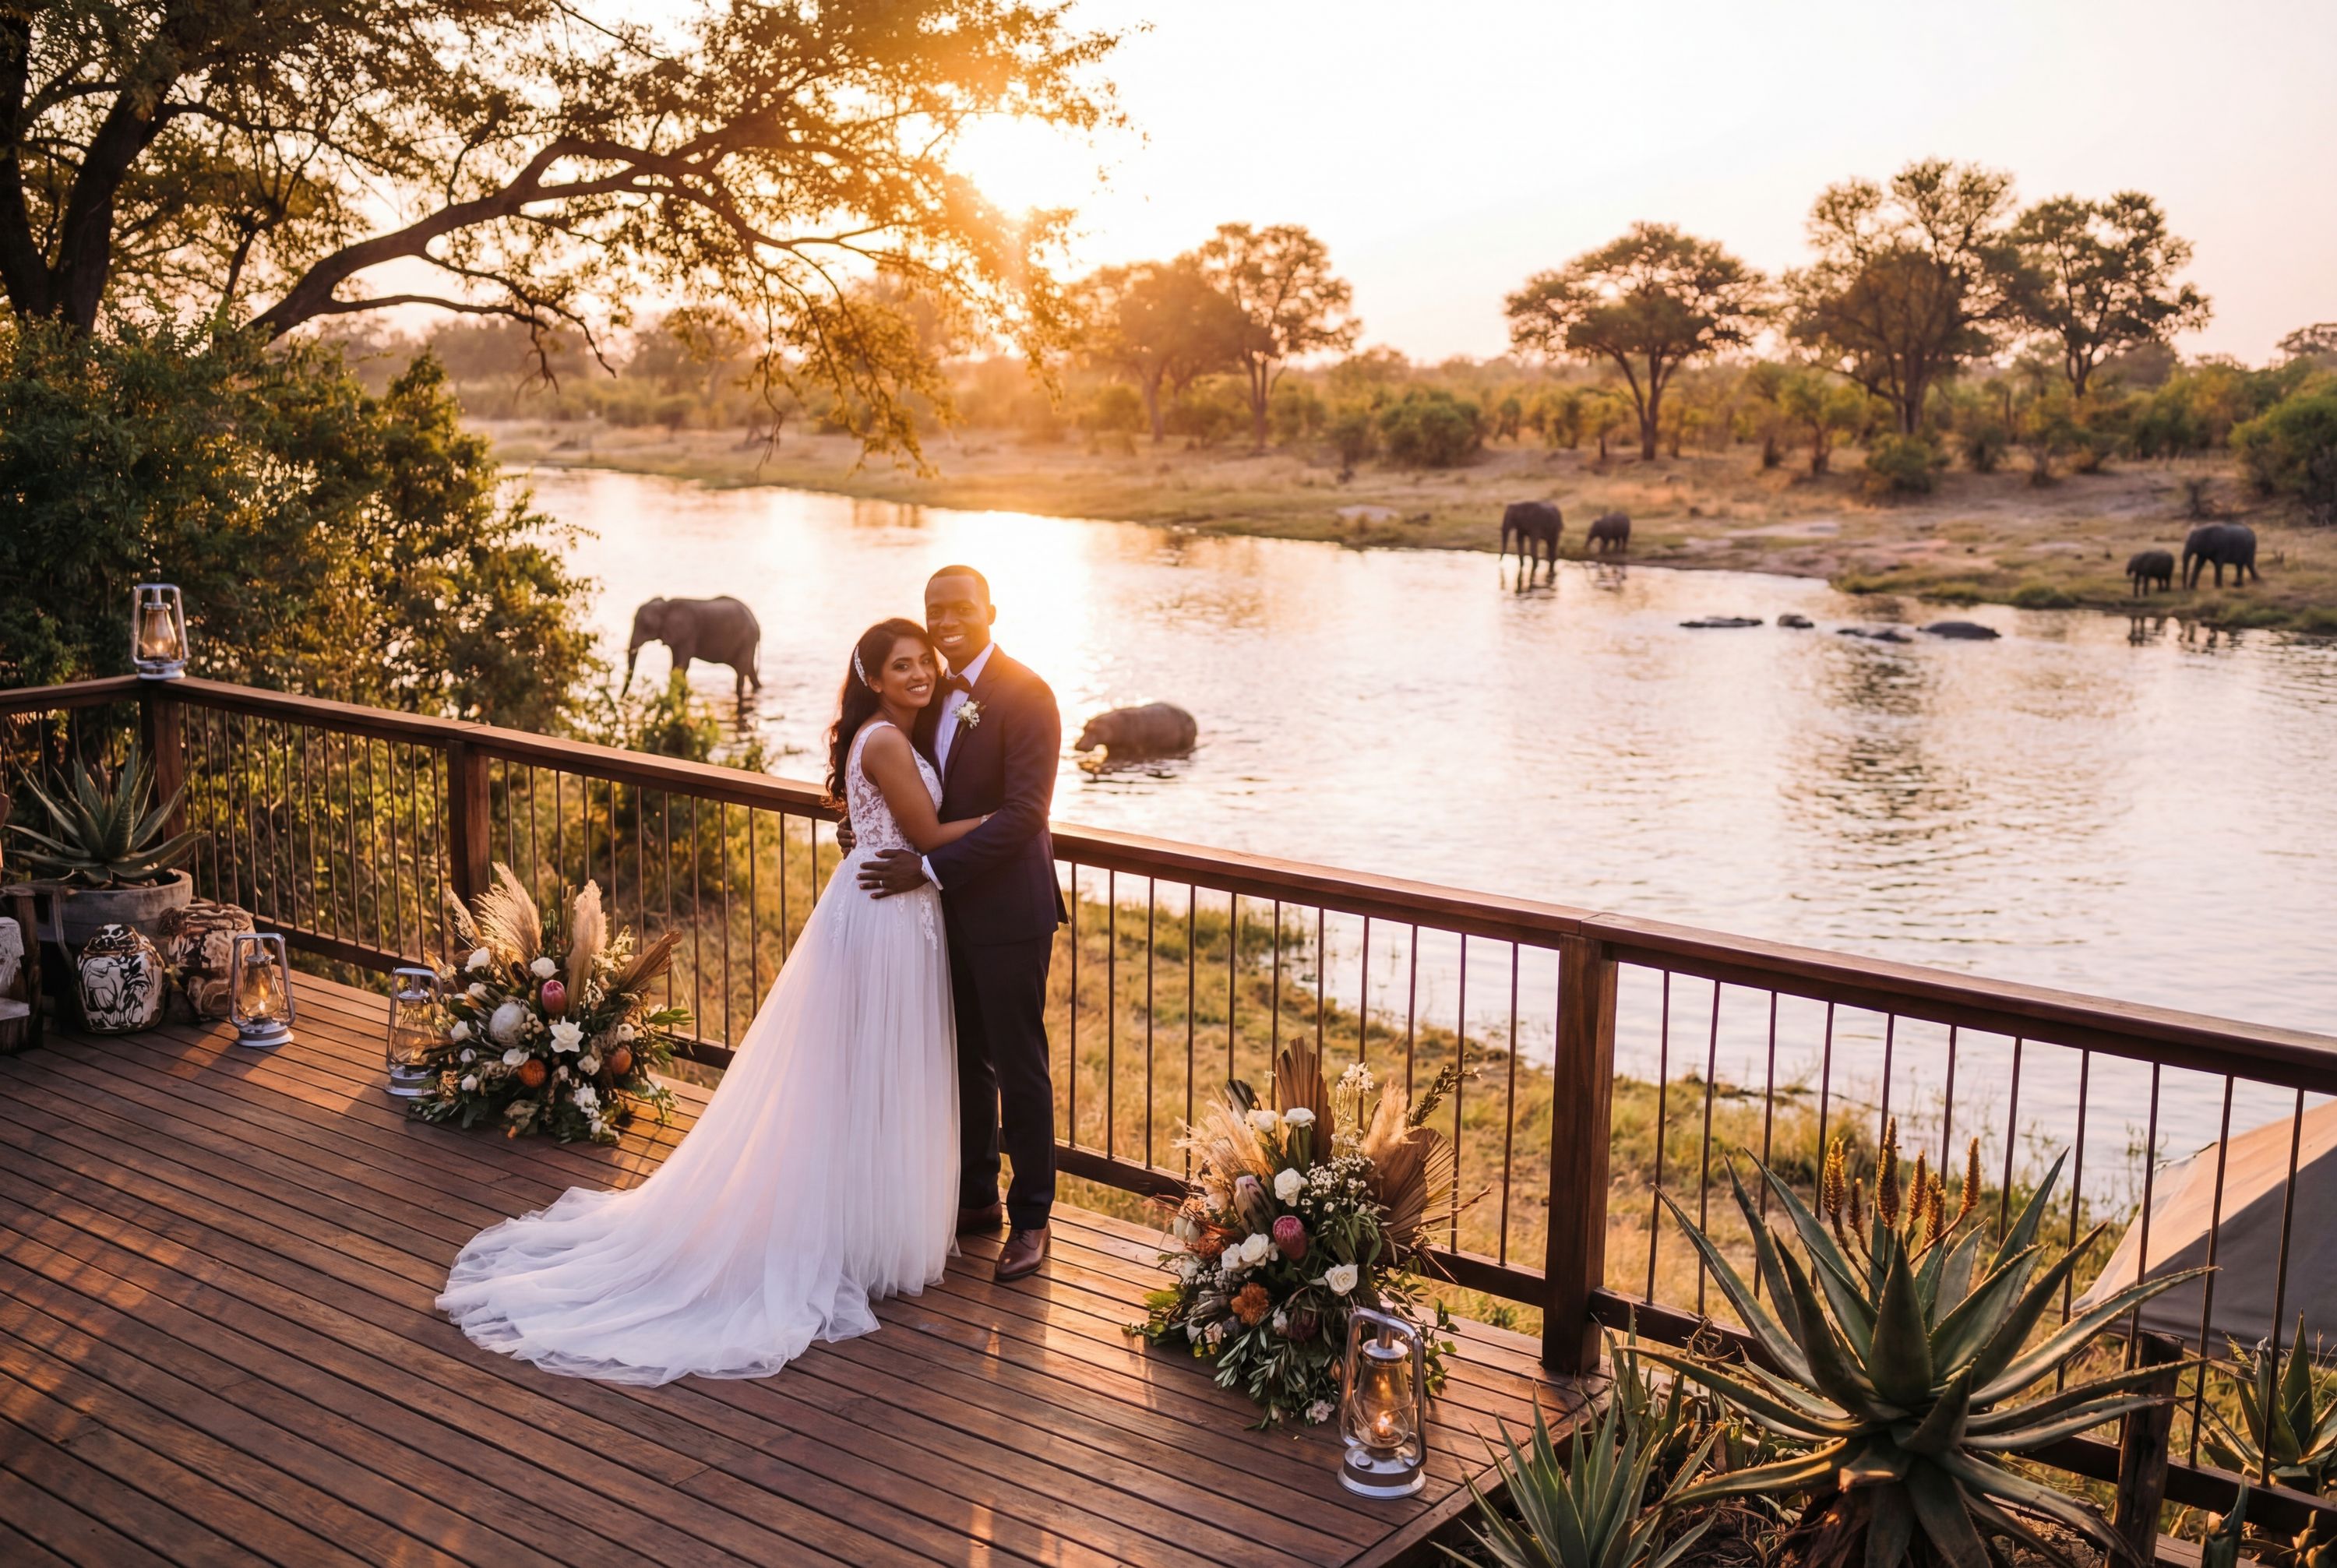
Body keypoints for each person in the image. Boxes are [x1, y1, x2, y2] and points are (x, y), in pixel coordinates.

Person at [437, 618, 982, 1385]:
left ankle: (861, 1232)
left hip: (894, 910)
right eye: (903, 665)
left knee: (866, 1075)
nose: (920, 674)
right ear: (874, 678)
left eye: (926, 662)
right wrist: (1011, 821)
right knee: (863, 1073)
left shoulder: (890, 734)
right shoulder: (887, 741)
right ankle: (842, 1234)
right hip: (885, 917)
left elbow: (892, 830)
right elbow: (924, 830)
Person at [855, 565, 1066, 1282]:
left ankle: (1032, 1218)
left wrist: (932, 869)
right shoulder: (934, 691)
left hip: (1008, 911)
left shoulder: (1028, 693)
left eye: (960, 608)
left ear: (991, 611)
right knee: (965, 1058)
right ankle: (976, 1197)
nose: (946, 621)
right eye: (934, 609)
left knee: (1019, 1065)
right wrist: (875, 832)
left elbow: (1026, 813)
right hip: (941, 914)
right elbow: (909, 791)